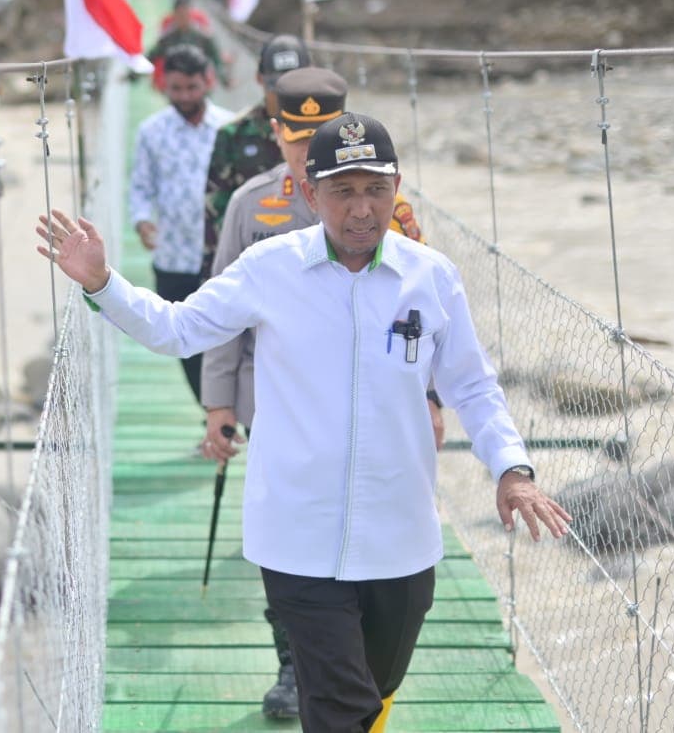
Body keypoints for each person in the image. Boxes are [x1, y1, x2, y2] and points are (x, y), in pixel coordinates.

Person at [37, 113, 571, 733]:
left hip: (400, 538)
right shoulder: (269, 268)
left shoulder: (431, 279)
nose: (362, 208)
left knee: (376, 689)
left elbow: (473, 386)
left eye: (375, 188)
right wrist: (103, 282)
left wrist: (513, 469)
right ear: (311, 193)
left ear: (397, 186)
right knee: (340, 707)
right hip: (296, 536)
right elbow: (177, 328)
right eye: (343, 191)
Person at [200, 68, 441, 721]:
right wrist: (218, 403)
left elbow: (420, 317)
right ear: (275, 130)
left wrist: (432, 399)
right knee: (291, 528)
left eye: (317, 136)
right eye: (294, 135)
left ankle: (335, 663)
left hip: (364, 396)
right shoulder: (253, 205)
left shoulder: (395, 214)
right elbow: (219, 311)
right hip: (273, 394)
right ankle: (295, 658)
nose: (303, 148)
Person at [127, 43, 235, 401]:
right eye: (176, 88)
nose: (185, 96)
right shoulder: (151, 132)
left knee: (227, 341)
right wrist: (142, 221)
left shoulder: (230, 129)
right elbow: (140, 184)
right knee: (184, 344)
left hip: (222, 256)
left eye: (192, 87)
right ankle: (211, 415)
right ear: (163, 86)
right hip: (172, 256)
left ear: (208, 81)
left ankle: (228, 412)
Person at [200, 34, 313, 277]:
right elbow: (214, 212)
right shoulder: (233, 135)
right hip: (254, 265)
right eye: (277, 85)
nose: (286, 94)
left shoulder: (328, 132)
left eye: (295, 83)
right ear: (260, 79)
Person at [143, 0, 226, 91]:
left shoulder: (202, 37)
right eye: (179, 14)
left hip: (198, 87)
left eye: (185, 13)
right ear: (174, 14)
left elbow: (216, 58)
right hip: (177, 87)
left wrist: (224, 79)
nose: (182, 17)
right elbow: (152, 56)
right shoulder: (168, 38)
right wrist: (132, 75)